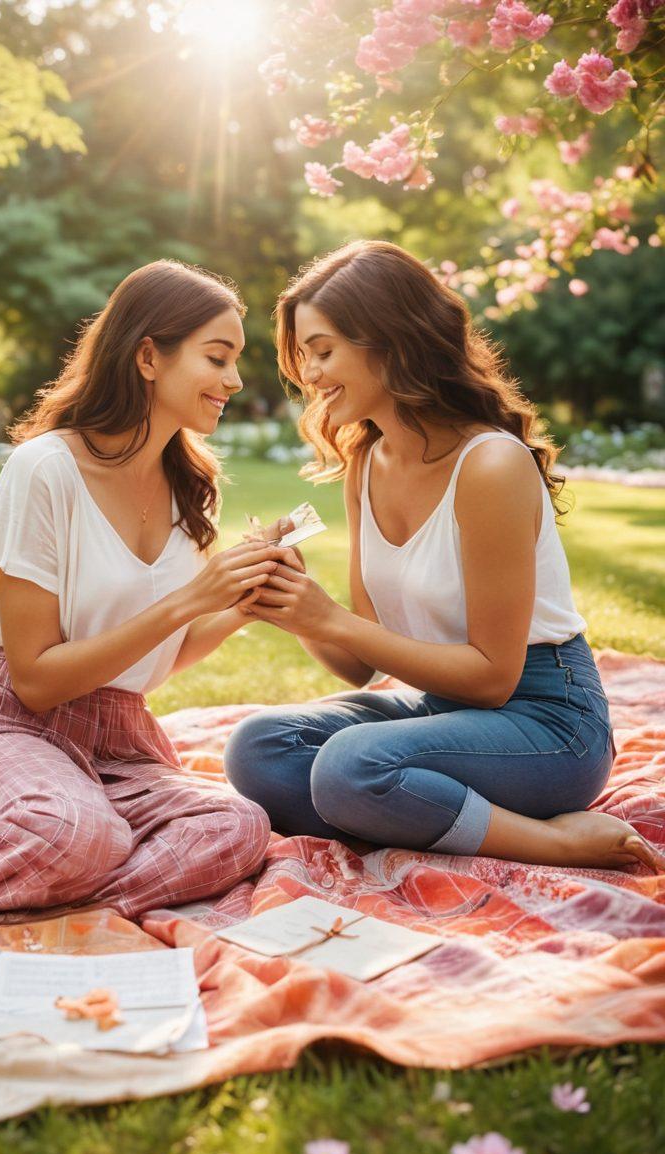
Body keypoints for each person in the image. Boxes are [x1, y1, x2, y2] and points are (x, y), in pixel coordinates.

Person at [0, 260, 293, 924]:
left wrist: (242, 603)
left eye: (235, 361)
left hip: (117, 740)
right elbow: (37, 680)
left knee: (238, 828)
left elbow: (159, 656)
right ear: (147, 356)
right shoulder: (45, 469)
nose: (235, 379)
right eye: (217, 358)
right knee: (72, 834)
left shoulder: (192, 487)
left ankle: (34, 875)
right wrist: (194, 599)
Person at [225, 240, 663, 874]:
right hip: (444, 714)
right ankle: (432, 811)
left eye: (323, 351)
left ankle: (553, 839)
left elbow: (492, 677)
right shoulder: (366, 464)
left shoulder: (488, 465)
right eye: (304, 356)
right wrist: (290, 604)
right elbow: (359, 665)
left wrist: (328, 619)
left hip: (548, 723)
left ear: (391, 341)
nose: (310, 376)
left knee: (350, 766)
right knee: (259, 748)